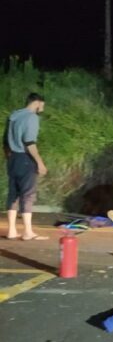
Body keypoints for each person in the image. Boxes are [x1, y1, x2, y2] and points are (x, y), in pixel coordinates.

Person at [3, 93, 48, 241]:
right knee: (28, 194)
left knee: (13, 194)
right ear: (37, 103)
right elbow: (29, 142)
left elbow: (5, 140)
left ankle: (12, 230)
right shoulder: (31, 117)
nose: (42, 108)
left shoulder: (14, 116)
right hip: (25, 158)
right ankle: (28, 232)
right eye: (42, 105)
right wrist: (40, 162)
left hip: (13, 158)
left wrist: (9, 157)